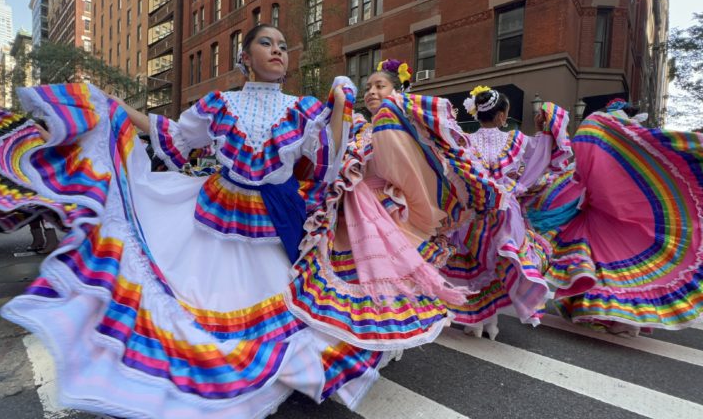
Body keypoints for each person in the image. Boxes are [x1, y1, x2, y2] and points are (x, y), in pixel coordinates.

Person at [0, 24, 391, 417]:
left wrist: (340, 104)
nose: (279, 51)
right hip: (218, 210)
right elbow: (174, 135)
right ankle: (219, 366)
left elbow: (327, 162)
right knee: (204, 295)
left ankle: (284, 366)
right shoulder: (218, 103)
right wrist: (117, 107)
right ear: (245, 58)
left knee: (286, 302)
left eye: (283, 46)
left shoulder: (304, 109)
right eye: (267, 44)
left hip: (276, 217)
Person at [285, 61, 504, 349]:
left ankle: (381, 343)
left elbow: (407, 166)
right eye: (368, 87)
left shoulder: (399, 123)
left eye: (380, 86)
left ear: (396, 91)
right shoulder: (362, 127)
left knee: (385, 280)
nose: (372, 92)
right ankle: (357, 343)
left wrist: (395, 106)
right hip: (352, 211)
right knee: (358, 280)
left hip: (385, 211)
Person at [528, 98, 703, 335]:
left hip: (606, 215)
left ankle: (617, 317)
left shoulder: (608, 132)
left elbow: (586, 162)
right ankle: (618, 318)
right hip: (608, 214)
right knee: (617, 267)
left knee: (603, 265)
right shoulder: (631, 139)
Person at [437, 85, 573, 340]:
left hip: (473, 211)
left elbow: (449, 173)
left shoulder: (464, 141)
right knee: (500, 262)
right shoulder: (518, 140)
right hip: (505, 212)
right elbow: (543, 155)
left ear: (477, 114)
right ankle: (491, 320)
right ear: (502, 116)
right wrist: (544, 128)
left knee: (473, 265)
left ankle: (476, 320)